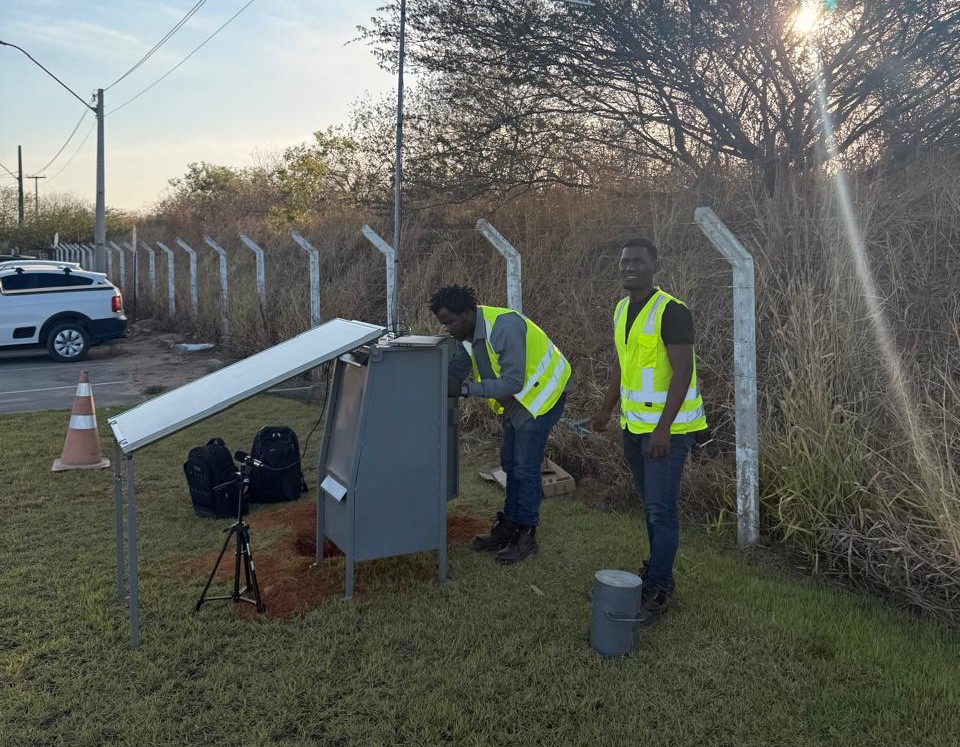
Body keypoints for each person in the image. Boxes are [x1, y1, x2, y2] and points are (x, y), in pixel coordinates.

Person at [590, 237, 707, 624]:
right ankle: (658, 574)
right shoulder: (622, 309)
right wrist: (606, 410)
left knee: (661, 511)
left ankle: (657, 588)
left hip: (666, 432)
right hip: (633, 426)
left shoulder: (672, 311)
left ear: (654, 265)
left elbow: (683, 372)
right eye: (624, 261)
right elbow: (623, 366)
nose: (629, 267)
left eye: (638, 261)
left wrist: (663, 430)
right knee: (651, 506)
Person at [429, 284, 572, 564]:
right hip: (516, 402)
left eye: (450, 322)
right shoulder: (466, 335)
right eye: (443, 323)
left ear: (468, 313)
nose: (447, 329)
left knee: (525, 467)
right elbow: (455, 371)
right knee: (509, 464)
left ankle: (527, 534)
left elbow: (512, 382)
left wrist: (465, 390)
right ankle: (509, 526)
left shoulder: (503, 326)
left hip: (542, 397)